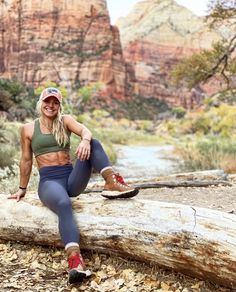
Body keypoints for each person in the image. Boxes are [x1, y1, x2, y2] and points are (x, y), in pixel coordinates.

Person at [8, 87, 139, 284]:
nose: (50, 106)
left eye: (55, 102)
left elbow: (85, 130)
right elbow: (26, 161)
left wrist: (85, 140)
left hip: (71, 179)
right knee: (63, 204)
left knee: (93, 142)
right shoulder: (27, 129)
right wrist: (22, 188)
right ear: (40, 103)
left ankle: (111, 182)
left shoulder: (65, 121)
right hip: (49, 182)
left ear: (59, 105)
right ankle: (75, 261)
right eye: (47, 101)